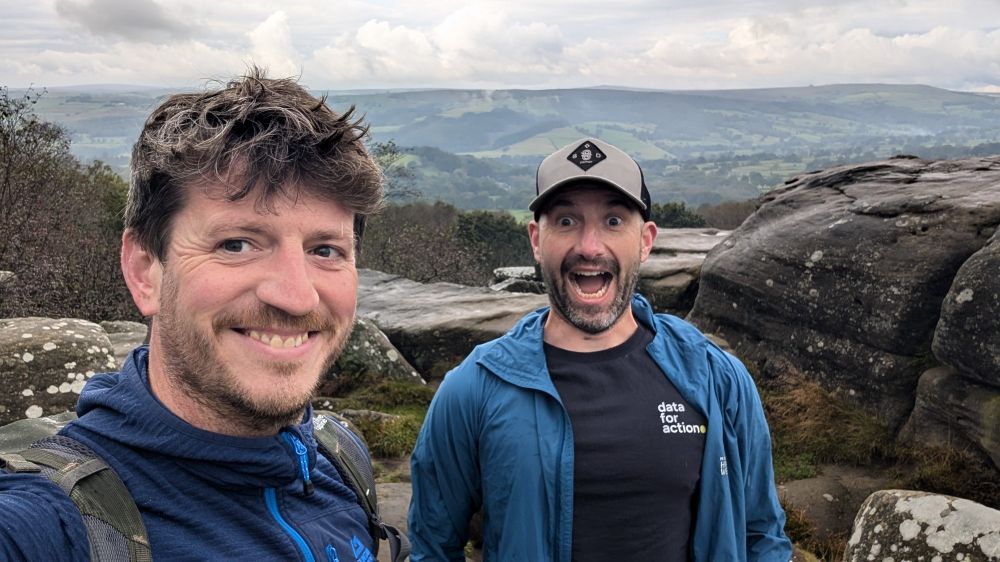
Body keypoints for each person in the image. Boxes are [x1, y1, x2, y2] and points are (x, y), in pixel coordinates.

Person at [0, 69, 387, 561]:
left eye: (326, 250)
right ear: (145, 271)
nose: (297, 297)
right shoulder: (52, 524)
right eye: (237, 243)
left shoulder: (340, 461)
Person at [408, 138, 793, 561]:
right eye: (567, 221)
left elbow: (761, 535)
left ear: (645, 241)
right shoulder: (474, 389)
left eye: (613, 221)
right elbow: (433, 544)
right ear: (537, 240)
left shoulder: (717, 379)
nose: (590, 246)